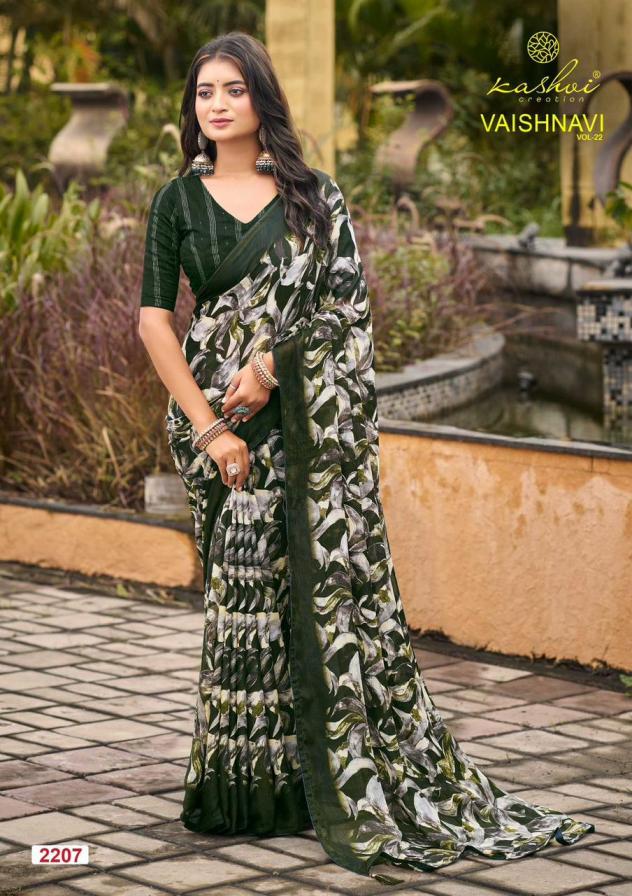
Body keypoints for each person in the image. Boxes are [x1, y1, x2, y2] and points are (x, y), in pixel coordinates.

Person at [138, 30, 595, 886]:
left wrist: (273, 368)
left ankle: (322, 784)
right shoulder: (178, 202)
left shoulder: (315, 198)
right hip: (217, 425)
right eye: (204, 92)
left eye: (233, 88)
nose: (217, 104)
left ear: (261, 97)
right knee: (244, 607)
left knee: (306, 600)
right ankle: (248, 791)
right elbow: (154, 320)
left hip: (301, 424)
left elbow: (346, 317)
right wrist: (210, 427)